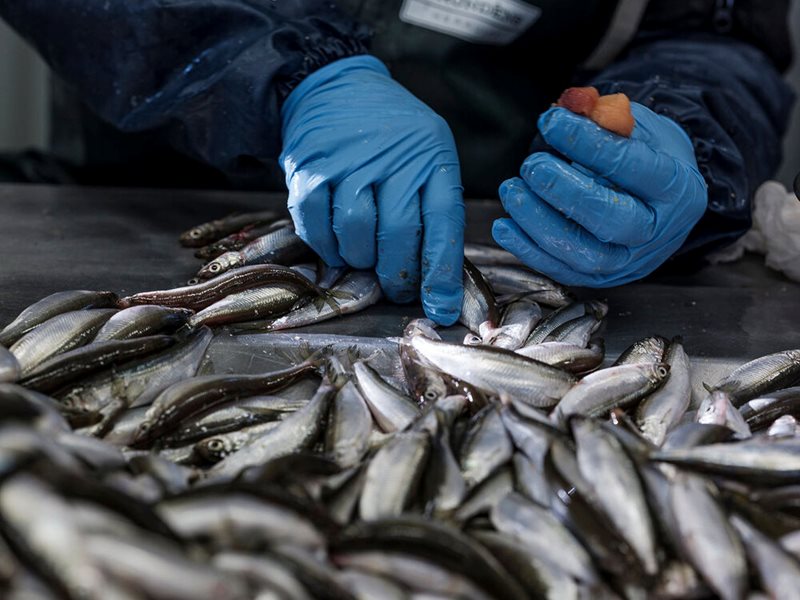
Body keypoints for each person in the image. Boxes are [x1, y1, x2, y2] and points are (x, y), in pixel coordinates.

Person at [0, 1, 793, 325]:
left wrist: (691, 134)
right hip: (151, 202)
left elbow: (715, 32)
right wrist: (283, 69)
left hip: (526, 237)